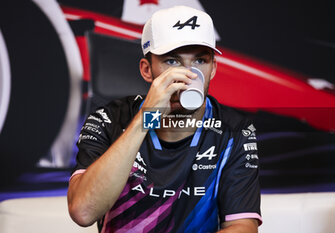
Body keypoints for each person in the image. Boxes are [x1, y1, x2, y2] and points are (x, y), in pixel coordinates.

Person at [68, 5, 262, 233]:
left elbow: (242, 227)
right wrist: (145, 119)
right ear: (147, 70)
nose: (188, 73)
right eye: (172, 61)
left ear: (213, 69)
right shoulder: (108, 119)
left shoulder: (234, 129)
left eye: (200, 61)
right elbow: (83, 212)